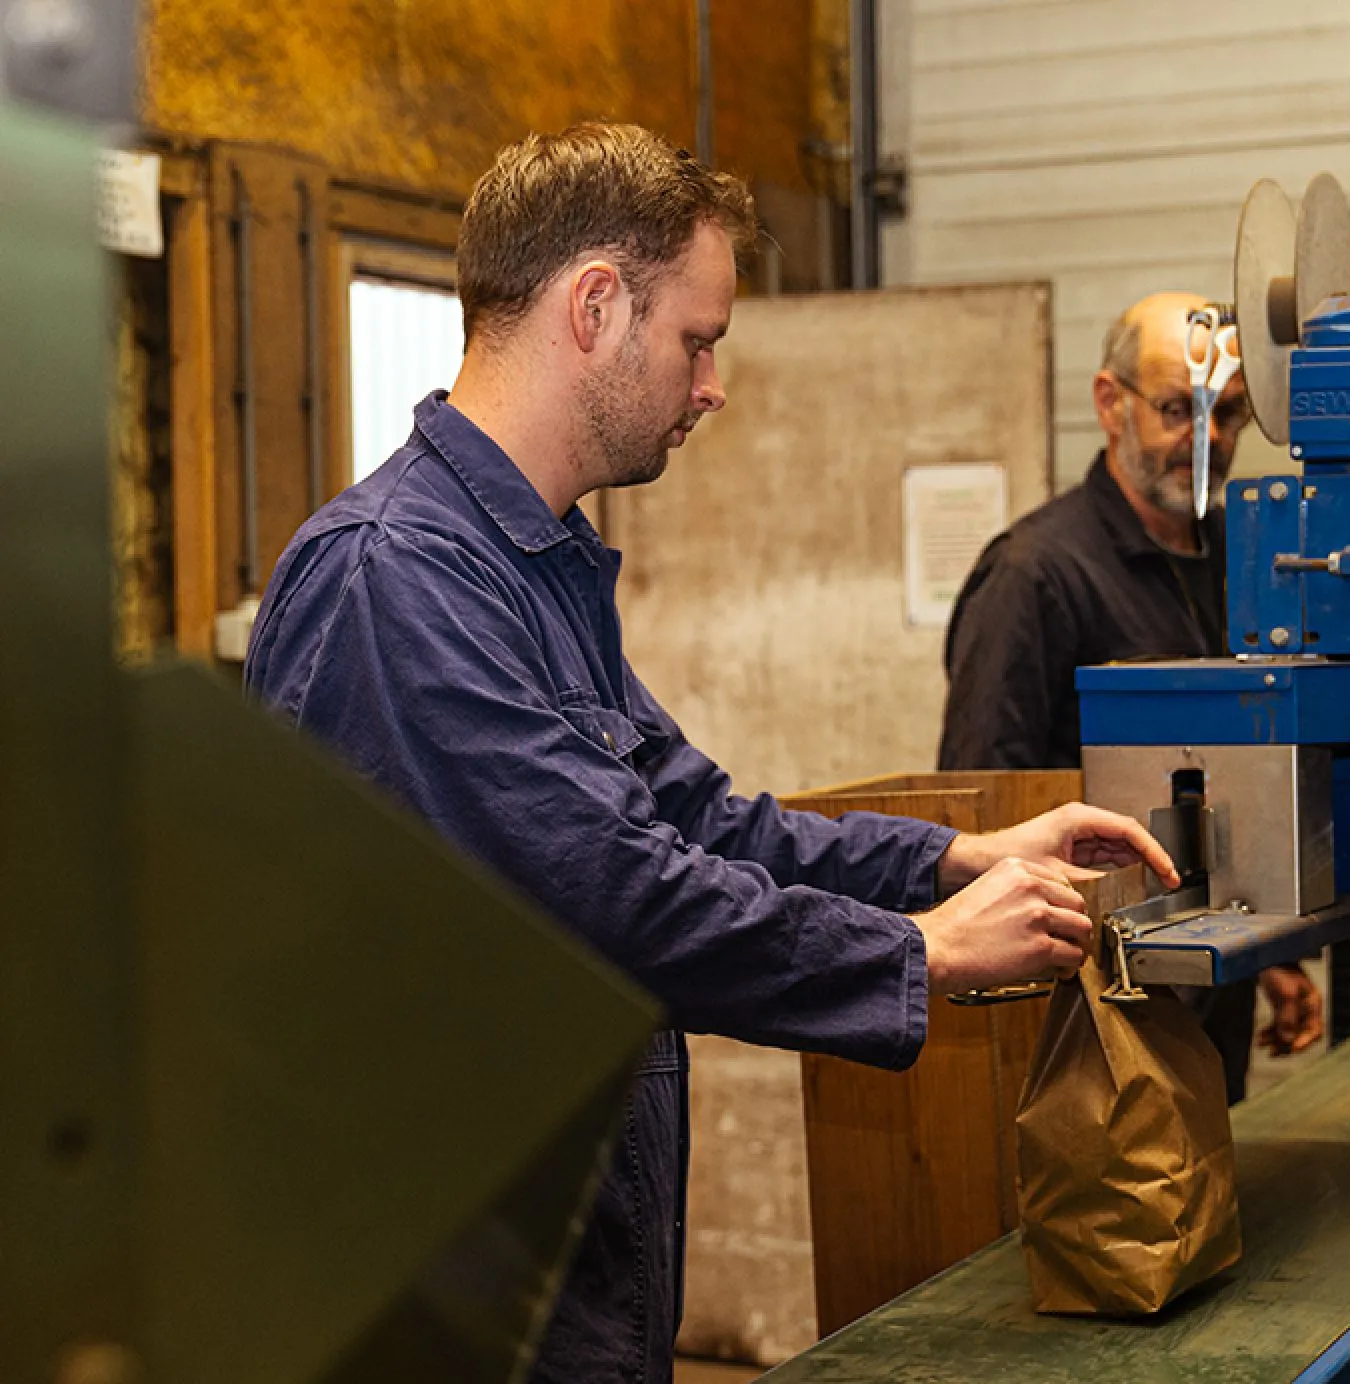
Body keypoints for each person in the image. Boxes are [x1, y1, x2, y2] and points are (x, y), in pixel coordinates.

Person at [244, 124, 1175, 1384]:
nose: (711, 384)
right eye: (697, 339)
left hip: (567, 1266)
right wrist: (917, 956)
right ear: (592, 308)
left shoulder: (532, 567)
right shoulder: (398, 578)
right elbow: (610, 899)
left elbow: (698, 820)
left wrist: (952, 860)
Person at [938, 291, 1322, 1103]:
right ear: (1110, 403)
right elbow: (979, 805)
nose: (1208, 440)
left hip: (1213, 999)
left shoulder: (1236, 565)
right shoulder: (1034, 577)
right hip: (1093, 1020)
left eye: (1229, 414)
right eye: (1180, 410)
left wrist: (1272, 957)